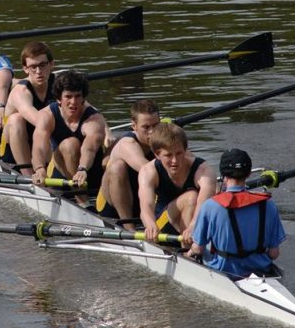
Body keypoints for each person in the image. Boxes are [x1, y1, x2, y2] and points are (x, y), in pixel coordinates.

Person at [188, 149, 286, 279]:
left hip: (224, 273)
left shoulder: (210, 206)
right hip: (261, 271)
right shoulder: (268, 205)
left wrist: (188, 253)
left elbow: (198, 249)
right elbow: (274, 253)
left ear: (223, 175)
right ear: (249, 174)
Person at [30, 70, 110, 205]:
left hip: (88, 172)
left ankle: (85, 200)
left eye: (78, 96)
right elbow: (38, 146)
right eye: (68, 96)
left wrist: (82, 169)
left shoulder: (94, 119)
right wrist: (39, 168)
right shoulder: (47, 115)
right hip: (59, 175)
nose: (73, 102)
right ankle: (83, 202)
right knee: (69, 144)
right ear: (58, 99)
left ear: (83, 97)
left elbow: (89, 148)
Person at [138, 122, 216, 244]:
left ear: (185, 150)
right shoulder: (148, 171)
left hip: (195, 224)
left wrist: (193, 225)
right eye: (168, 155)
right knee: (191, 197)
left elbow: (203, 205)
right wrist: (150, 225)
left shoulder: (204, 171)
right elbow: (146, 207)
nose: (175, 161)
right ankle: (187, 253)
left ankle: (192, 245)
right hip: (162, 225)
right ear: (157, 155)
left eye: (179, 153)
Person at [97, 99, 161, 227]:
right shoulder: (128, 144)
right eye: (146, 127)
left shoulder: (163, 139)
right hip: (112, 208)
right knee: (118, 168)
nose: (152, 132)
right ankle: (129, 228)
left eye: (155, 126)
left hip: (142, 201)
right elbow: (147, 169)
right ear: (134, 126)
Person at [0, 41, 55, 175]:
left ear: (52, 64)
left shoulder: (59, 84)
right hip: (12, 151)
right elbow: (39, 121)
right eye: (33, 67)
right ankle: (28, 175)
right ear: (25, 69)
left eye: (43, 65)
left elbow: (85, 108)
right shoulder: (21, 92)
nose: (38, 71)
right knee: (16, 119)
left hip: (42, 144)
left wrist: (103, 129)